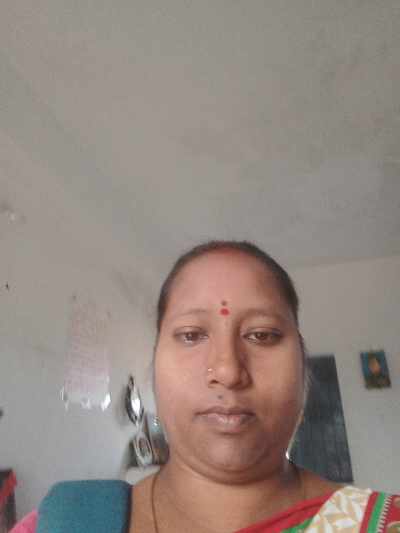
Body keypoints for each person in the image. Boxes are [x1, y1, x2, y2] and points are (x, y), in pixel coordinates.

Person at [11, 241, 400, 532]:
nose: (228, 371)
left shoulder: (383, 523)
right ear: (154, 365)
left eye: (262, 335)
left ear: (303, 367)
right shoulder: (62, 523)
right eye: (192, 335)